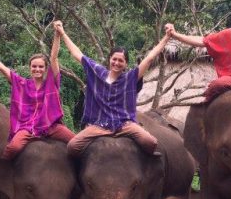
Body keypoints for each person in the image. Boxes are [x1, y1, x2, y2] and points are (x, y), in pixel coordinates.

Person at [54, 20, 171, 157]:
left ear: (126, 63)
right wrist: (62, 33)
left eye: (121, 60)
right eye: (114, 59)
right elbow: (76, 53)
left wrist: (167, 37)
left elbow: (150, 58)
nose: (117, 63)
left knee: (150, 142)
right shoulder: (97, 71)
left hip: (124, 124)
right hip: (99, 125)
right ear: (110, 59)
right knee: (73, 146)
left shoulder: (130, 78)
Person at [0, 29, 75, 160]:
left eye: (41, 67)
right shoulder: (22, 84)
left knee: (75, 142)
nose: (37, 69)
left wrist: (57, 34)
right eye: (34, 66)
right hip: (27, 127)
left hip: (51, 126)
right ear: (30, 68)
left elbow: (53, 57)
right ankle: (0, 173)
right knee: (13, 148)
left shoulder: (51, 83)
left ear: (46, 69)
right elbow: (2, 67)